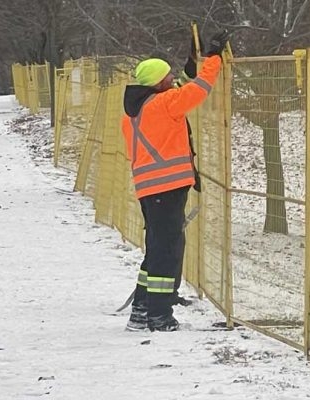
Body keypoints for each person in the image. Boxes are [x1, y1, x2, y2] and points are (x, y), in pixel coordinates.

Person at [121, 31, 230, 332]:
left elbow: (181, 88)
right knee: (167, 251)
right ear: (157, 83)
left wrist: (190, 65)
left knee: (157, 248)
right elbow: (199, 89)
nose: (172, 80)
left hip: (150, 189)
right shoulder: (163, 104)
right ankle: (159, 314)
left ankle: (142, 310)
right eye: (168, 77)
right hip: (165, 187)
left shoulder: (136, 109)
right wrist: (213, 58)